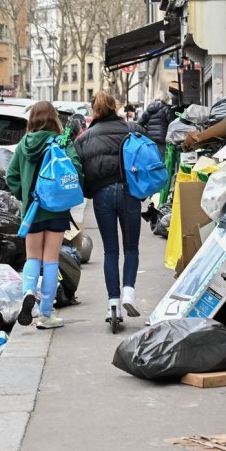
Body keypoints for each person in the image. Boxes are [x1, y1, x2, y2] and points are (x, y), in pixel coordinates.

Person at [6, 101, 83, 329]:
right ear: (54, 118)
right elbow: (76, 169)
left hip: (32, 210)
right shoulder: (61, 142)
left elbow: (11, 176)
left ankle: (29, 292)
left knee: (32, 258)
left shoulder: (23, 145)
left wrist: (26, 195)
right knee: (51, 260)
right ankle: (46, 315)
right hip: (57, 208)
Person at [74, 92, 146, 321]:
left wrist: (90, 191)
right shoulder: (133, 129)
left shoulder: (84, 138)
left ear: (94, 110)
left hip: (102, 195)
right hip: (129, 193)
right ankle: (129, 293)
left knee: (110, 250)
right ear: (115, 107)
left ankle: (113, 303)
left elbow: (78, 170)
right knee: (131, 248)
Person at [138, 93, 175, 157]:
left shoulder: (149, 108)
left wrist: (146, 130)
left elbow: (140, 123)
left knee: (152, 159)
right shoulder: (166, 108)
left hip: (150, 138)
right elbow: (172, 124)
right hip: (162, 139)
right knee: (161, 159)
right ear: (166, 99)